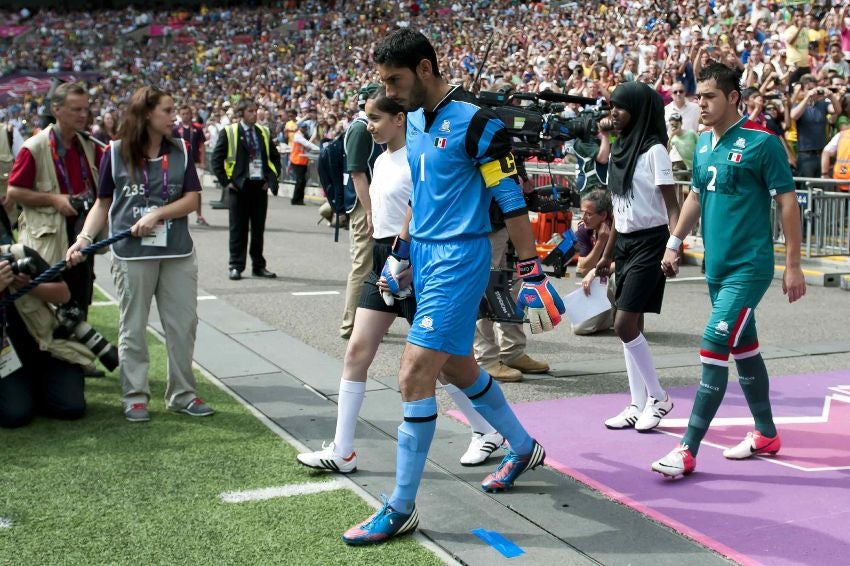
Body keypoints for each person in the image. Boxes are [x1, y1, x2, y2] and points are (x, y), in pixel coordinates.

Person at [342, 28, 564, 546]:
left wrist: (530, 268)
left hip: (459, 259)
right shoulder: (414, 121)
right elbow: (422, 196)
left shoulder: (480, 125)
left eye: (394, 81)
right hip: (420, 253)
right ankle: (523, 445)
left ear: (424, 68)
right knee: (459, 366)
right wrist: (400, 253)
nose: (389, 93)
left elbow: (510, 200)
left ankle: (399, 507)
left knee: (414, 373)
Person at [297, 89, 504, 473]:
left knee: (447, 365)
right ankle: (343, 450)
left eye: (375, 118)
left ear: (399, 119)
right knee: (357, 351)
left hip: (414, 263)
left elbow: (424, 210)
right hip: (383, 261)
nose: (368, 126)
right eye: (367, 118)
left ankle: (487, 430)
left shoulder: (418, 157)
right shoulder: (383, 157)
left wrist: (405, 260)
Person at [653, 63, 806, 478]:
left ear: (732, 97)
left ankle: (687, 449)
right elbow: (696, 197)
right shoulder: (703, 143)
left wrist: (792, 265)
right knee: (744, 348)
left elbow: (787, 203)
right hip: (716, 270)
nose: (699, 103)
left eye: (708, 96)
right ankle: (766, 434)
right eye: (697, 96)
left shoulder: (763, 143)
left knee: (713, 345)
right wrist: (674, 241)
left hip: (749, 267)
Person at [65, 86, 214, 423]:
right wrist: (84, 238)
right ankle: (134, 396)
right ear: (147, 114)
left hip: (176, 252)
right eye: (167, 110)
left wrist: (157, 213)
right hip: (131, 255)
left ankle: (183, 395)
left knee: (183, 325)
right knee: (132, 326)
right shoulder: (115, 153)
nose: (173, 116)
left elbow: (192, 200)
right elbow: (103, 203)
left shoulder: (182, 150)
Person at [593, 81, 681, 432]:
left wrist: (674, 246)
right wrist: (607, 253)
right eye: (611, 105)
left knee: (624, 324)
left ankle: (658, 397)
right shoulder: (620, 148)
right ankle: (637, 402)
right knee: (633, 326)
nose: (612, 112)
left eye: (620, 106)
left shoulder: (655, 151)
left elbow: (673, 204)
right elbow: (619, 209)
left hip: (651, 241)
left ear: (640, 110)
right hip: (626, 242)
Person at [6, 82, 102, 380]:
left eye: (86, 109)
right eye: (76, 109)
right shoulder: (34, 147)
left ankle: (79, 359)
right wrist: (55, 199)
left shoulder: (88, 144)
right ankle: (50, 360)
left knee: (81, 297)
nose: (82, 115)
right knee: (49, 302)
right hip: (47, 239)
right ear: (56, 110)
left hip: (81, 235)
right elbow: (14, 191)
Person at [0, 208, 94, 428]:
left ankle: (36, 388)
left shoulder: (18, 254)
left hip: (46, 346)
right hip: (6, 358)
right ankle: (24, 391)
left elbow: (64, 294)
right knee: (15, 416)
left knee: (71, 408)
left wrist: (30, 287)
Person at [472, 199, 550, 382]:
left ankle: (512, 352)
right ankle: (485, 357)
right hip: (485, 221)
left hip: (507, 219)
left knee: (509, 287)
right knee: (484, 289)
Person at [211, 98, 280, 281]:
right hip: (239, 187)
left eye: (255, 110)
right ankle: (236, 265)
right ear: (241, 114)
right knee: (238, 229)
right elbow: (216, 160)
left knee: (258, 229)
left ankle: (258, 266)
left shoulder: (263, 132)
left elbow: (274, 158)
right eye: (250, 111)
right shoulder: (230, 132)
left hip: (259, 186)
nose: (254, 114)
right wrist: (226, 182)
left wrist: (269, 179)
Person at [339, 83, 382, 339]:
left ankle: (362, 320)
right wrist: (369, 211)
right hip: (362, 204)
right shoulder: (360, 129)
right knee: (362, 264)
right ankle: (350, 324)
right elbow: (357, 173)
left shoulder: (366, 126)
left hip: (368, 203)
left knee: (369, 264)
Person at [573, 189, 615, 336]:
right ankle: (609, 317)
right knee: (579, 329)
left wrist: (594, 271)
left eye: (589, 214)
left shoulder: (619, 229)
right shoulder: (584, 230)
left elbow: (625, 262)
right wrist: (601, 241)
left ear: (603, 215)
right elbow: (583, 268)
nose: (584, 218)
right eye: (582, 212)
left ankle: (621, 314)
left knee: (616, 278)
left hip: (616, 279)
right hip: (598, 281)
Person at [174, 104, 209, 226]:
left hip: (195, 163)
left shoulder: (197, 128)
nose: (185, 116)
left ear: (191, 114)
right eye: (182, 114)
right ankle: (179, 214)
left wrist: (203, 161)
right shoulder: (175, 129)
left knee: (197, 191)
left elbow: (202, 145)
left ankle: (199, 215)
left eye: (187, 113)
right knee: (179, 190)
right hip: (180, 164)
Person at [288, 121, 320, 206]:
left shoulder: (303, 136)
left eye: (305, 128)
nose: (304, 129)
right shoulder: (297, 136)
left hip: (302, 161)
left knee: (302, 181)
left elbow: (307, 146)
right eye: (303, 127)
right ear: (299, 128)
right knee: (300, 180)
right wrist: (319, 149)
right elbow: (307, 144)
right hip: (296, 160)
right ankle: (295, 199)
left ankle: (300, 199)